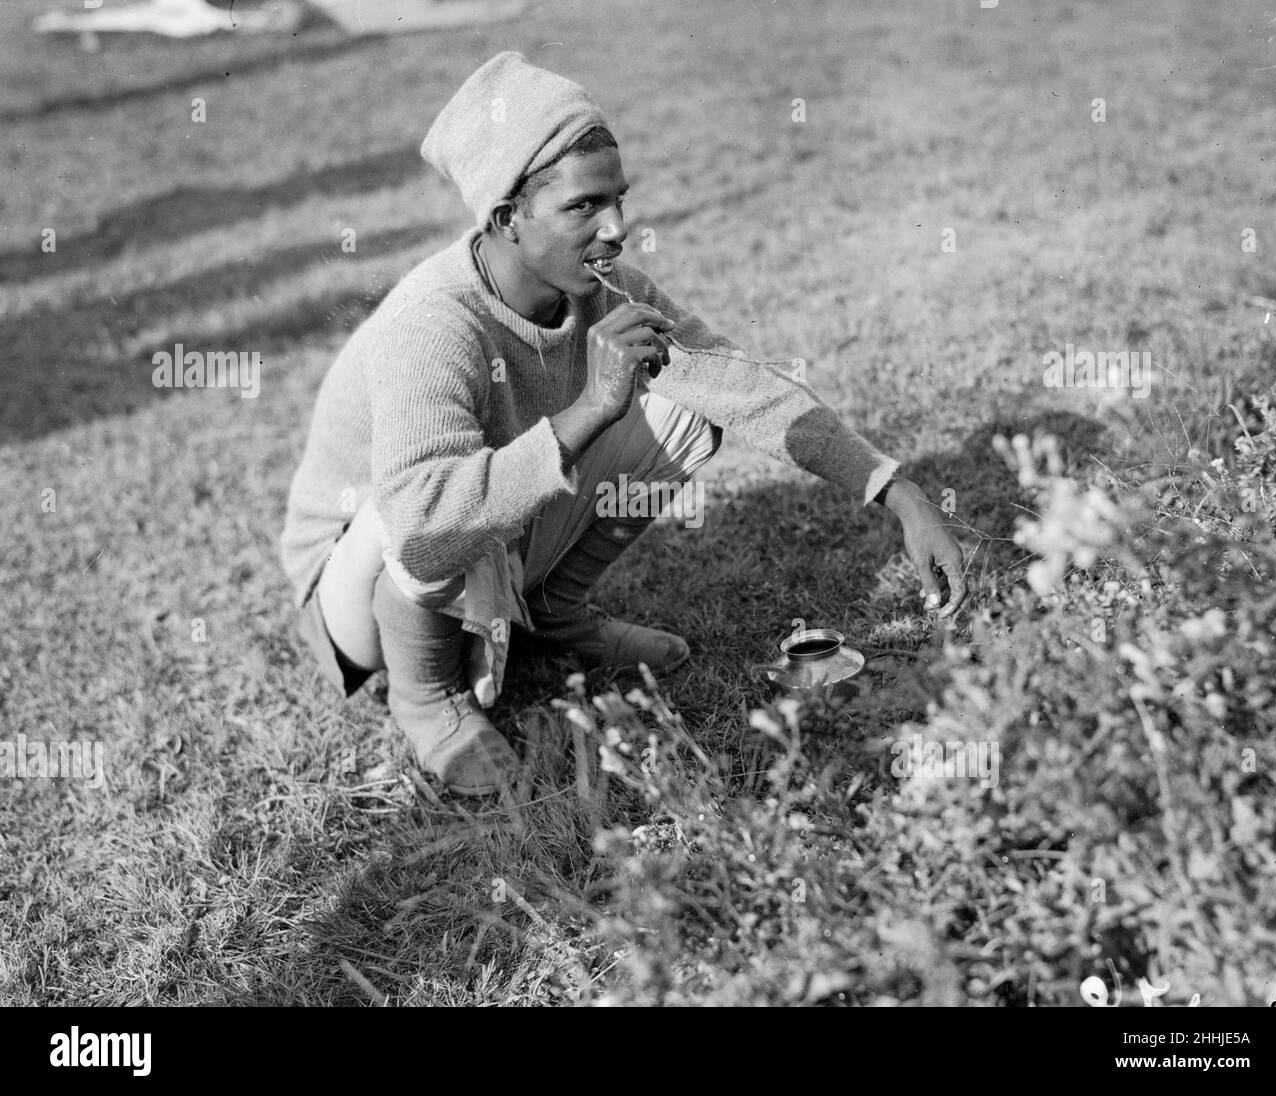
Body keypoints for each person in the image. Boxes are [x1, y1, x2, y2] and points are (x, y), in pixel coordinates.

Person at [279, 52, 967, 798]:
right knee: (420, 499)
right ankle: (429, 698)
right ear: (506, 219)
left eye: (618, 200)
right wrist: (588, 409)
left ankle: (551, 610)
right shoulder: (432, 322)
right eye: (584, 207)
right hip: (363, 592)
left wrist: (896, 492)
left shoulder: (603, 289)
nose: (616, 229)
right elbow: (421, 524)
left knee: (689, 407)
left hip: (480, 537)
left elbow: (739, 386)